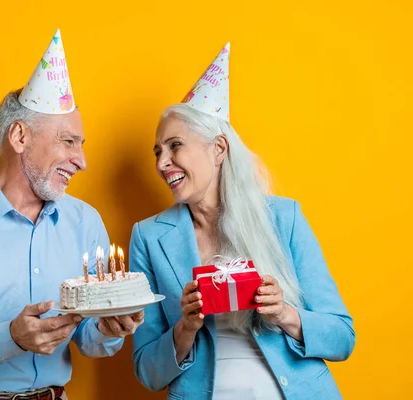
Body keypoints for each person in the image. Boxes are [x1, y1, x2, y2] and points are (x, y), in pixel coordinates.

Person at [0, 29, 143, 400]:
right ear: (19, 137)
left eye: (81, 145)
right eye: (68, 141)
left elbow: (90, 340)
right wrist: (10, 337)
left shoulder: (85, 222)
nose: (82, 161)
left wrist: (111, 328)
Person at [130, 43, 355, 400]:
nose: (162, 163)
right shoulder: (148, 238)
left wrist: (284, 313)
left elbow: (342, 338)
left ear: (218, 149)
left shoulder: (283, 218)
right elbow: (147, 370)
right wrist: (185, 328)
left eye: (175, 146)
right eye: (158, 152)